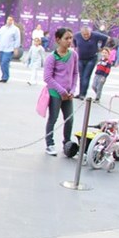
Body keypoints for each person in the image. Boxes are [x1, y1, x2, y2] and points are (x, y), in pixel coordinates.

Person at [43, 27, 78, 156]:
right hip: (55, 93)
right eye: (66, 38)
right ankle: (50, 144)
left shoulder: (73, 54)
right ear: (58, 39)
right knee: (53, 118)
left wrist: (73, 89)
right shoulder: (52, 57)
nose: (69, 41)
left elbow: (75, 73)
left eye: (71, 38)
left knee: (69, 119)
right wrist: (61, 91)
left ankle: (67, 144)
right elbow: (47, 77)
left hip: (68, 94)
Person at [73, 26, 109, 99]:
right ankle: (80, 93)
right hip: (80, 58)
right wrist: (75, 46)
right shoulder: (77, 35)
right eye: (84, 34)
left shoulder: (95, 35)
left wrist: (101, 47)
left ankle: (83, 94)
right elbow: (73, 39)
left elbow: (105, 38)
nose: (86, 36)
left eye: (88, 34)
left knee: (86, 76)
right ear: (81, 33)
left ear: (90, 33)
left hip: (91, 58)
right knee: (81, 76)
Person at [0, 16, 21, 83]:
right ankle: (3, 75)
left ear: (12, 21)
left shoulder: (15, 29)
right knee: (1, 63)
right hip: (1, 48)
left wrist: (16, 48)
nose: (9, 21)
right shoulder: (3, 28)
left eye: (10, 20)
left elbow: (17, 39)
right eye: (8, 19)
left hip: (9, 49)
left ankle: (5, 77)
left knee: (5, 62)